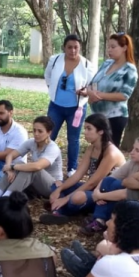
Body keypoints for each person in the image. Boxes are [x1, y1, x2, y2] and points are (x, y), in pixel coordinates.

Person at [39, 113, 126, 225]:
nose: (85, 132)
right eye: (85, 128)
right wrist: (59, 190)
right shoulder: (91, 148)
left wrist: (65, 199)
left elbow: (92, 183)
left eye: (89, 128)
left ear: (101, 131)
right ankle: (58, 211)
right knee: (57, 184)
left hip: (104, 195)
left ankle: (62, 210)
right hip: (91, 190)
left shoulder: (111, 153)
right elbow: (77, 175)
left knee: (77, 197)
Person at [0, 116, 63, 210]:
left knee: (31, 168)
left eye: (40, 131)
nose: (36, 134)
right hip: (34, 183)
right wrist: (9, 168)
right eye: (34, 130)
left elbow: (38, 166)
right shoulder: (32, 142)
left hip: (52, 186)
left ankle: (6, 199)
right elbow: (10, 155)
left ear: (49, 132)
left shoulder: (52, 148)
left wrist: (12, 166)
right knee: (22, 164)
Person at [79, 136, 139, 235]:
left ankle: (99, 220)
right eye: (133, 148)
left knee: (116, 184)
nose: (132, 152)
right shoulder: (132, 163)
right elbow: (109, 178)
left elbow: (126, 193)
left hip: (138, 202)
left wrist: (100, 196)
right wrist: (96, 192)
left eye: (137, 150)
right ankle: (99, 219)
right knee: (109, 181)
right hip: (122, 196)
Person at [44, 35, 97, 176]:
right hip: (56, 106)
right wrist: (53, 90)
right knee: (50, 135)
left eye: (76, 47)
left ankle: (71, 168)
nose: (73, 50)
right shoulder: (54, 60)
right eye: (69, 47)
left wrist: (85, 92)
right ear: (64, 47)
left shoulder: (87, 65)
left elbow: (93, 86)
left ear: (80, 48)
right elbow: (48, 76)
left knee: (73, 138)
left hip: (76, 108)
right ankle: (46, 163)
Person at [86, 33, 138, 146]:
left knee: (109, 151)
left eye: (113, 47)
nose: (109, 50)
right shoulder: (106, 63)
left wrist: (99, 95)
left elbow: (124, 95)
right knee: (96, 150)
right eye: (108, 47)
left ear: (124, 48)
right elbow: (92, 83)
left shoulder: (130, 69)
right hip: (97, 116)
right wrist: (90, 93)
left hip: (114, 117)